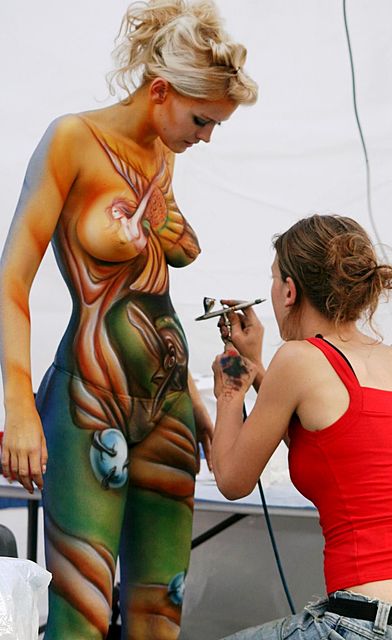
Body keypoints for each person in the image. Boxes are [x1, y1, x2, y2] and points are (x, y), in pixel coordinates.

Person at [0, 1, 258, 638]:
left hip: (168, 404)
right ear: (161, 90)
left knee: (160, 611)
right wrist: (20, 409)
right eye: (202, 119)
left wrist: (193, 397)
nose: (207, 137)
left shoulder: (162, 156)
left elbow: (152, 284)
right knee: (81, 617)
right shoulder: (72, 140)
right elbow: (11, 282)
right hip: (90, 399)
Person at [212, 214, 392, 640]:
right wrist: (256, 365)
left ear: (289, 290)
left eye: (274, 279)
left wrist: (230, 389)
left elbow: (233, 479)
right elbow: (328, 437)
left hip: (363, 624)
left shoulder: (297, 359)